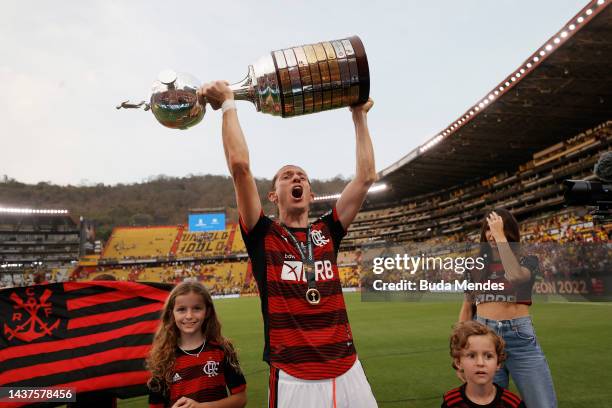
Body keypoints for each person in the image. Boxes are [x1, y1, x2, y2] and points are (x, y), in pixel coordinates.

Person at [199, 81, 378, 407]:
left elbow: (366, 177)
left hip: (348, 369)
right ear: (273, 196)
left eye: (302, 176)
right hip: (294, 376)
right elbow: (240, 167)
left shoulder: (329, 231)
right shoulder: (263, 234)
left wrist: (359, 116)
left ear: (311, 194)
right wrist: (228, 104)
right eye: (287, 176)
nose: (296, 178)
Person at [458, 208, 556, 407]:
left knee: (542, 404)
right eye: (488, 229)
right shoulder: (475, 265)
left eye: (496, 228)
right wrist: (460, 352)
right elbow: (468, 308)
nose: (491, 234)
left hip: (520, 338)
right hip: (484, 338)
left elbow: (515, 275)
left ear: (508, 231)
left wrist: (500, 236)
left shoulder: (528, 260)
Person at [147, 281, 246, 408]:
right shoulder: (162, 358)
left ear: (208, 311)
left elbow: (241, 399)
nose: (189, 316)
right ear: (172, 314)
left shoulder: (222, 349)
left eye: (197, 308)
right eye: (182, 309)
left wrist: (202, 407)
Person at [442, 321, 525, 408]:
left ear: (498, 363)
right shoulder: (451, 402)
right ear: (458, 363)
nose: (480, 363)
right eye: (471, 356)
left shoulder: (512, 403)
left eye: (488, 356)